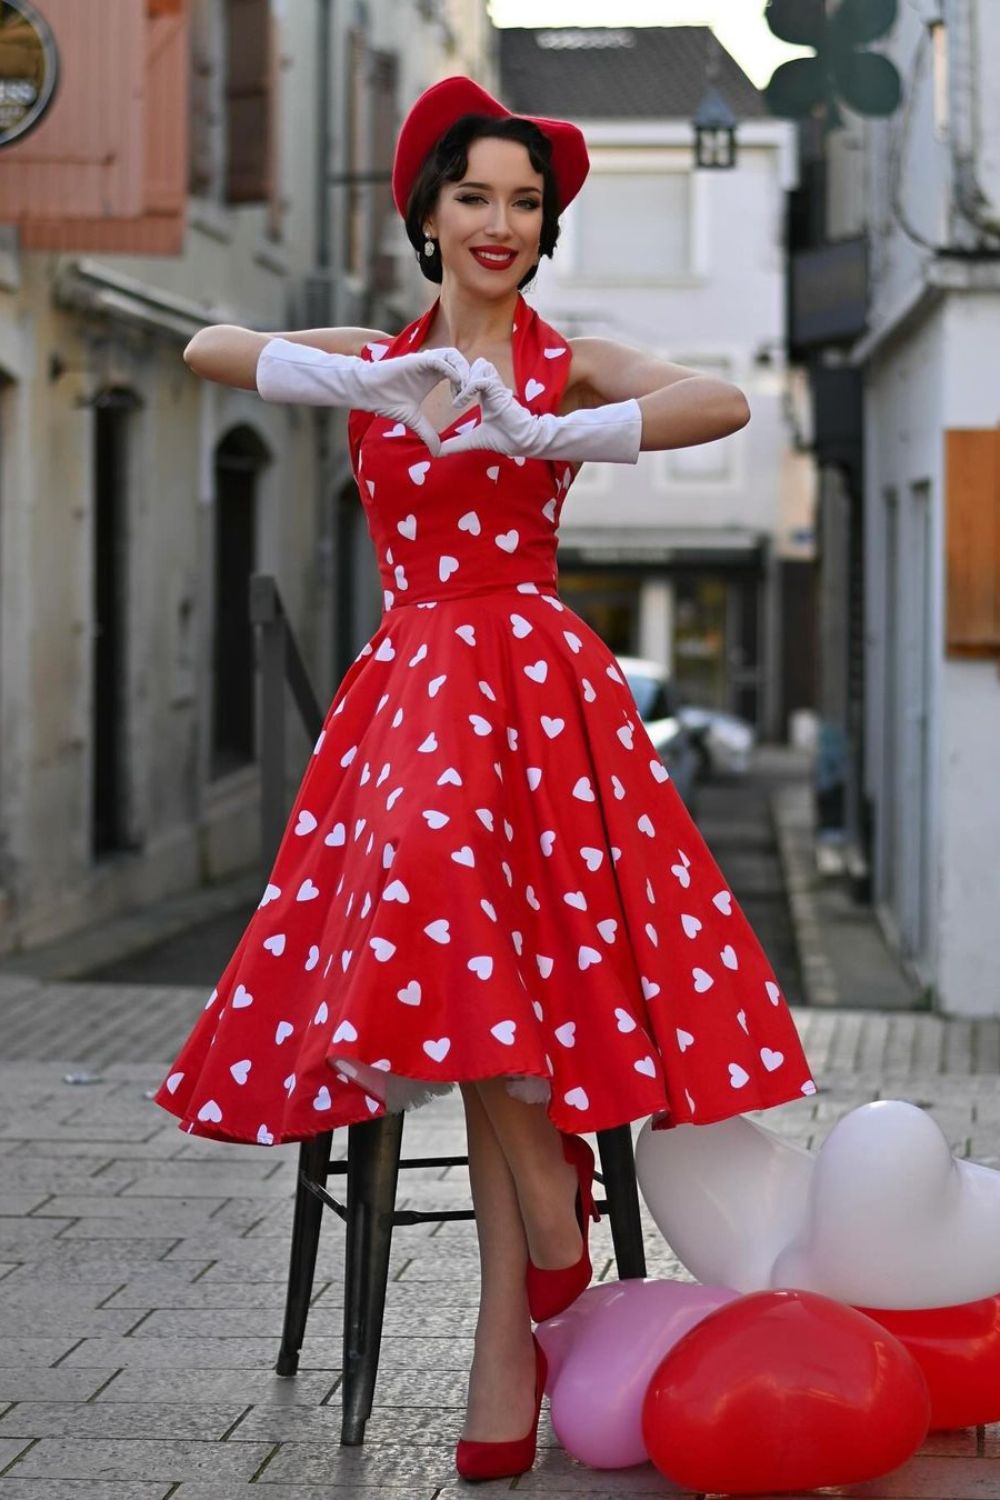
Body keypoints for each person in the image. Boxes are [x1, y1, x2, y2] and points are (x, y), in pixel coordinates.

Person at [154, 74, 817, 1482]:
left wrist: (555, 432)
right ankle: (553, 1221)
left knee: (477, 928)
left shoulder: (566, 359)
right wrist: (356, 378)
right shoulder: (372, 347)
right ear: (429, 214)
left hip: (537, 688)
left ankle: (510, 1345)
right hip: (419, 687)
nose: (502, 222)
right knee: (450, 892)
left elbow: (722, 405)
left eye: (526, 202)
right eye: (477, 196)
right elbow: (209, 341)